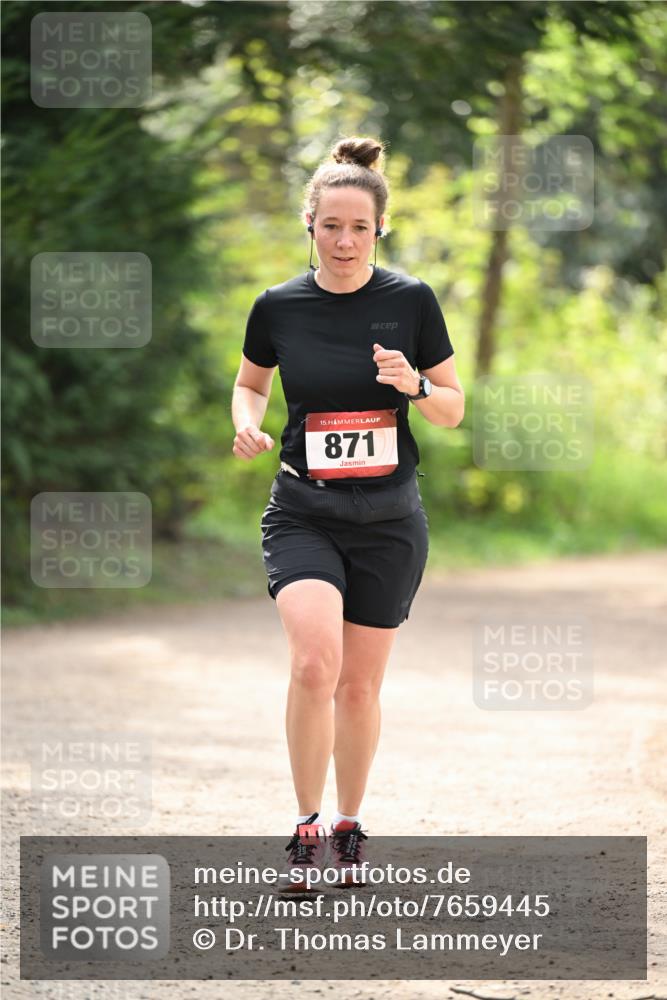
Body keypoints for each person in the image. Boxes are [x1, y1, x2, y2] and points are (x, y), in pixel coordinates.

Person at [231, 136, 464, 890]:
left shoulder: (410, 301)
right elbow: (252, 384)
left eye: (358, 227)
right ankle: (304, 824)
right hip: (303, 509)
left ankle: (348, 825)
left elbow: (454, 409)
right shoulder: (276, 306)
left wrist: (415, 388)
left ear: (379, 230)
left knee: (359, 688)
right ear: (308, 223)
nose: (343, 240)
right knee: (312, 664)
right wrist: (246, 421)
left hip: (390, 519)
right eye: (330, 225)